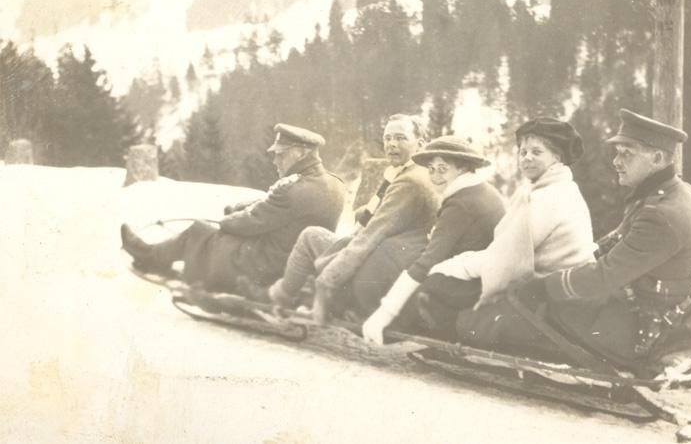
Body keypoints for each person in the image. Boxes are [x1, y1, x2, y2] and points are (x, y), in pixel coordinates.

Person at [456, 109, 691, 372]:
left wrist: (543, 287)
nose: (616, 162)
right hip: (679, 313)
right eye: (617, 153)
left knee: (534, 317)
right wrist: (585, 253)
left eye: (627, 153)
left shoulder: (662, 213)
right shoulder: (675, 192)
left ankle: (465, 329)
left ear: (657, 158)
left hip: (651, 329)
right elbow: (619, 240)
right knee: (548, 305)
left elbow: (605, 275)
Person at [120, 123, 346, 297]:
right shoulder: (335, 184)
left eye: (281, 154)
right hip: (296, 265)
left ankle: (150, 255)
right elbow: (278, 212)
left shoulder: (293, 190)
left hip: (264, 267)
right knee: (212, 233)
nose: (275, 161)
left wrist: (229, 217)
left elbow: (244, 224)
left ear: (300, 153)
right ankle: (156, 255)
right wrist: (243, 208)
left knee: (200, 230)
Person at [423, 117, 596, 332]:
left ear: (557, 157)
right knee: (450, 275)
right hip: (557, 285)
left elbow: (504, 261)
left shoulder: (547, 197)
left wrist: (453, 266)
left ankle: (454, 335)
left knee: (437, 283)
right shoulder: (559, 189)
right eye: (523, 152)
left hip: (545, 294)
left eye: (536, 152)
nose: (527, 158)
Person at [268, 114, 440, 323]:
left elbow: (372, 234)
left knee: (310, 236)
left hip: (382, 269)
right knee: (326, 243)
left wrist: (329, 278)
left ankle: (279, 300)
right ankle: (300, 299)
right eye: (388, 138)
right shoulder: (414, 174)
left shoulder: (409, 182)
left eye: (401, 138)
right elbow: (379, 218)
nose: (392, 144)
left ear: (420, 144)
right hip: (395, 260)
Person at [361, 136, 506, 344]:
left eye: (443, 169)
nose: (435, 177)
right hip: (484, 278)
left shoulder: (461, 204)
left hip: (466, 289)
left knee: (397, 268)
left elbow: (427, 262)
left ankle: (380, 323)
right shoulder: (482, 190)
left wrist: (384, 313)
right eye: (431, 169)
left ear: (463, 169)